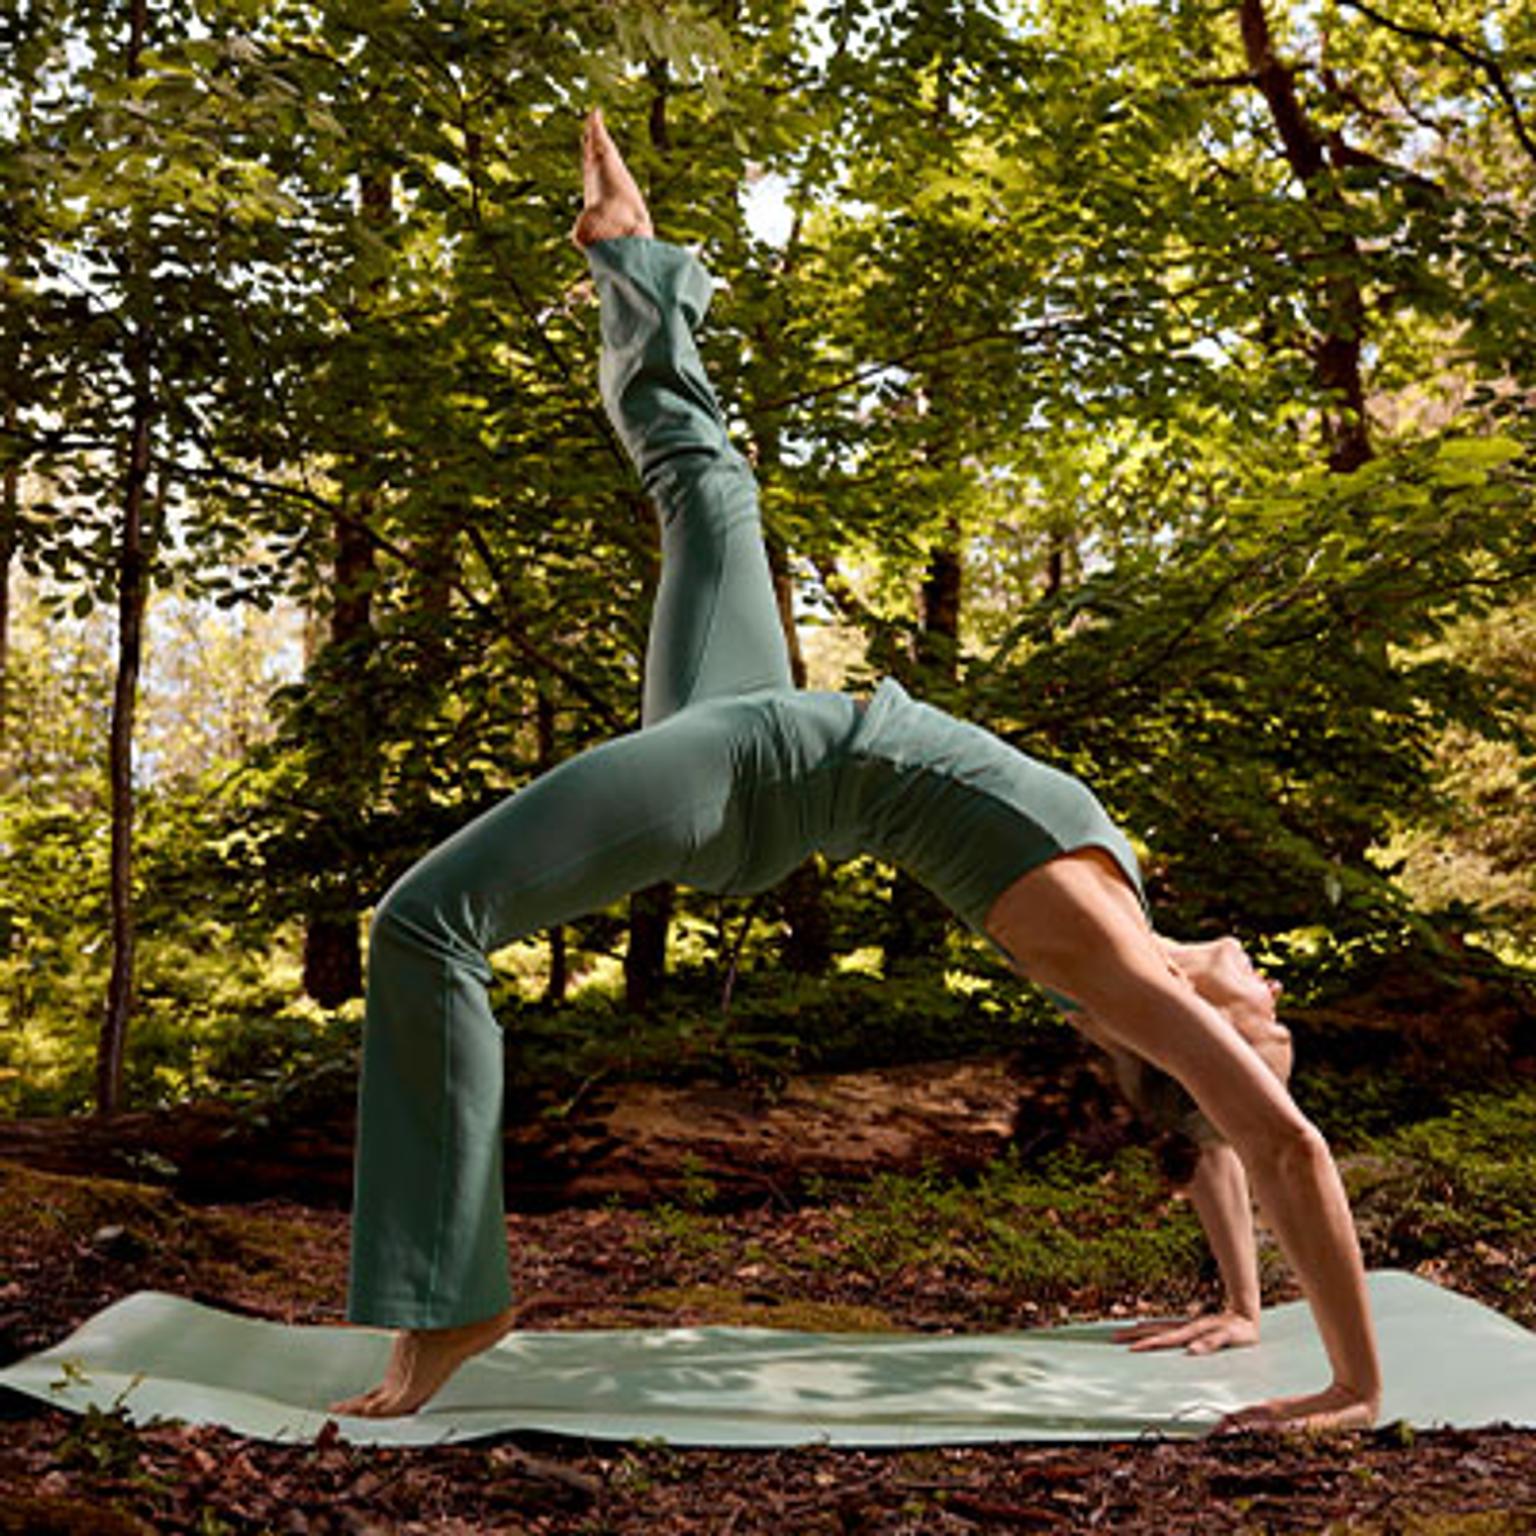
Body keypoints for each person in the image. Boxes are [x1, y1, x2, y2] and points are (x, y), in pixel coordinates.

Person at [330, 111, 1381, 1431]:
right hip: (775, 765)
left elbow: (1273, 1141)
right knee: (710, 491)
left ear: (1211, 1029)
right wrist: (1241, 1303)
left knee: (426, 923)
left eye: (1269, 1034)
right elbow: (1222, 1139)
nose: (1280, 1011)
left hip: (766, 769)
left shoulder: (1113, 965)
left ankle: (450, 1299)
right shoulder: (1129, 912)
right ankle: (633, 256)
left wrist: (1353, 1383)